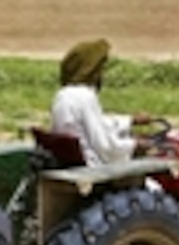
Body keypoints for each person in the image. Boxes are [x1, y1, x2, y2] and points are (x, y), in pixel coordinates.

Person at [50, 38, 152, 166]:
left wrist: (130, 121)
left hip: (71, 163)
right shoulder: (85, 96)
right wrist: (135, 145)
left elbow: (96, 125)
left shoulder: (63, 95)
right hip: (91, 169)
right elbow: (105, 147)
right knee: (153, 183)